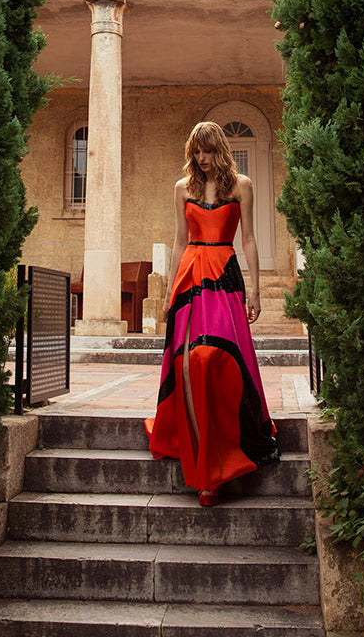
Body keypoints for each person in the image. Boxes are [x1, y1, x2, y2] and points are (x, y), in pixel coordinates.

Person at [144, 121, 279, 506]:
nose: (201, 159)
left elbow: (249, 238)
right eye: (196, 152)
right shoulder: (181, 188)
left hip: (224, 277)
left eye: (207, 151)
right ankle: (202, 463)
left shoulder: (242, 186)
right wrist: (170, 292)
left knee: (215, 358)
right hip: (189, 277)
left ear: (219, 149)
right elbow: (178, 240)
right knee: (187, 361)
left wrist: (255, 290)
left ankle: (223, 451)